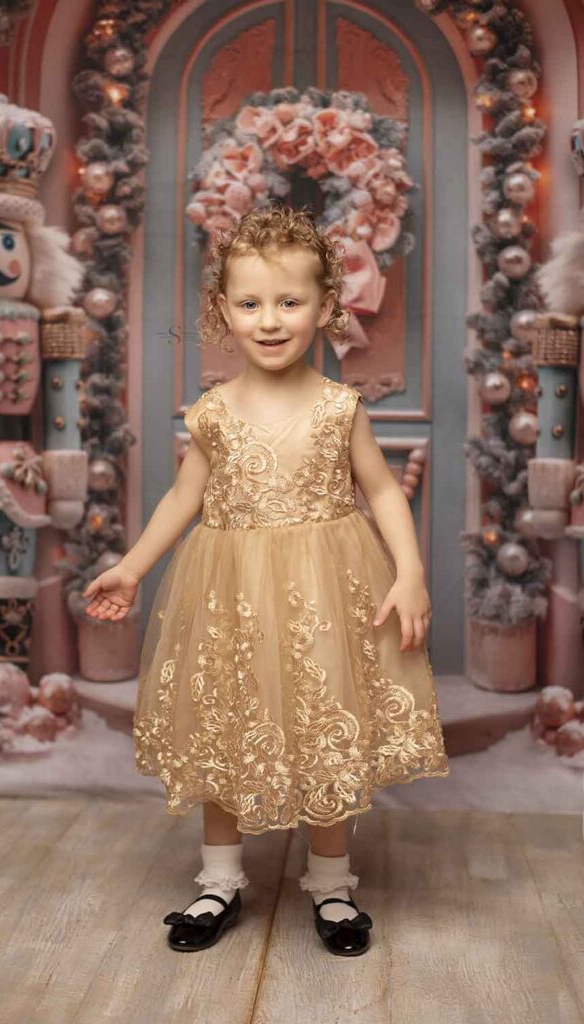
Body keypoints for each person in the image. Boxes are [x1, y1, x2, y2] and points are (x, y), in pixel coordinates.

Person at [82, 204, 450, 956]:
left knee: (323, 721)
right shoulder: (213, 414)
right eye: (250, 303)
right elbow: (182, 499)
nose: (271, 320)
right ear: (224, 311)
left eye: (289, 301)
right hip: (230, 593)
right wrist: (131, 566)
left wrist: (411, 573)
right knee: (224, 722)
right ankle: (219, 880)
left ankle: (332, 883)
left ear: (326, 305)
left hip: (323, 592)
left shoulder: (339, 408)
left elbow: (383, 491)